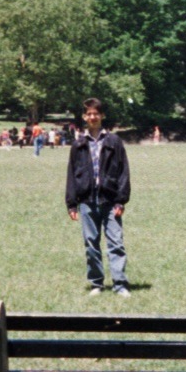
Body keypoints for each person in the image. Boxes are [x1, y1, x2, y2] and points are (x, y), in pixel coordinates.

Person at [66, 98, 131, 297]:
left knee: (116, 243)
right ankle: (96, 284)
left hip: (110, 201)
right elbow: (71, 174)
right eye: (89, 114)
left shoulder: (114, 141)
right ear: (84, 117)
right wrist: (71, 204)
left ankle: (120, 284)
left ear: (102, 116)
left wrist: (121, 200)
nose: (93, 117)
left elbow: (123, 172)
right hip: (86, 201)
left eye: (96, 114)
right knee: (91, 244)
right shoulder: (78, 144)